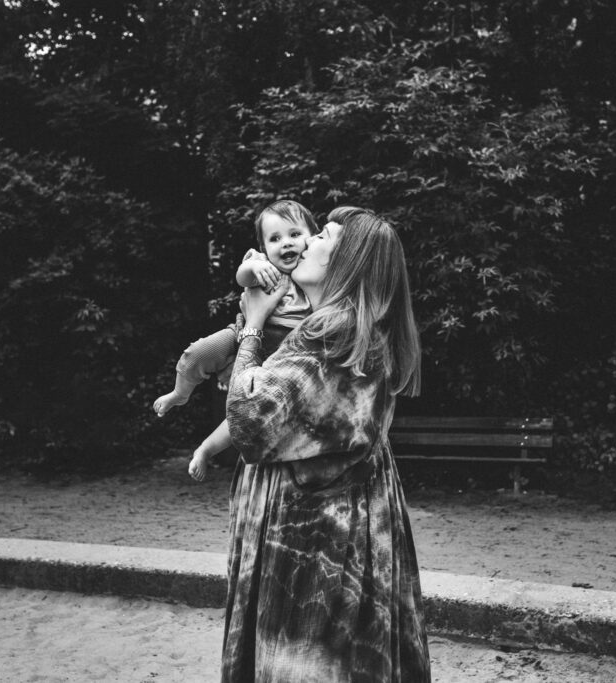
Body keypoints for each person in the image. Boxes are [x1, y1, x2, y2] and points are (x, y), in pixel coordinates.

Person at [222, 207, 431, 681]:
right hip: (343, 533)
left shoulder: (328, 336)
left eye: (323, 236)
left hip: (312, 546)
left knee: (309, 663)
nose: (309, 241)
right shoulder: (354, 334)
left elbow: (248, 423)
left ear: (346, 264)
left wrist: (252, 326)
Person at [151, 200, 317, 480]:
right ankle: (180, 392)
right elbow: (242, 276)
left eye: (294, 234)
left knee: (244, 413)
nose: (286, 244)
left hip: (280, 353)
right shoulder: (264, 265)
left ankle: (204, 449)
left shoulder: (315, 270)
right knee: (198, 353)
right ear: (264, 248)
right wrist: (253, 269)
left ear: (312, 237)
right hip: (244, 333)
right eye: (275, 239)